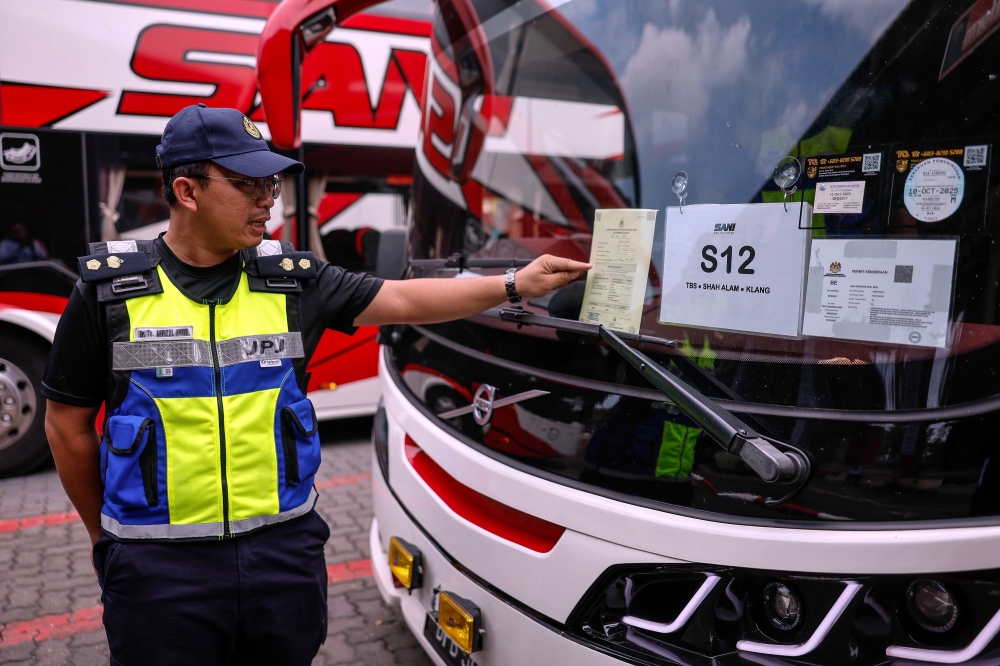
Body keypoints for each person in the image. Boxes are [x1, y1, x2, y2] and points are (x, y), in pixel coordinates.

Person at [41, 104, 590, 665]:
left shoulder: (291, 282)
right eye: (248, 182)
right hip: (159, 573)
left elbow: (401, 298)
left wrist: (514, 282)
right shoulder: (111, 293)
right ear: (187, 191)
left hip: (282, 561)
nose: (268, 199)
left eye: (271, 182)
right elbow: (66, 425)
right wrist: (105, 539)